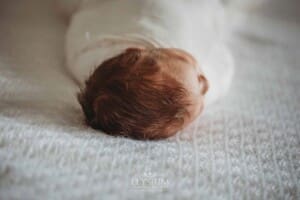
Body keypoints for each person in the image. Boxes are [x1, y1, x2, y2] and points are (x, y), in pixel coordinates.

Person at [57, 0, 235, 139]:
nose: (207, 85)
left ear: (137, 49)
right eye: (202, 99)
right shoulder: (86, 64)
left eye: (198, 78)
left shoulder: (84, 56)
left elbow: (82, 24)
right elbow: (223, 61)